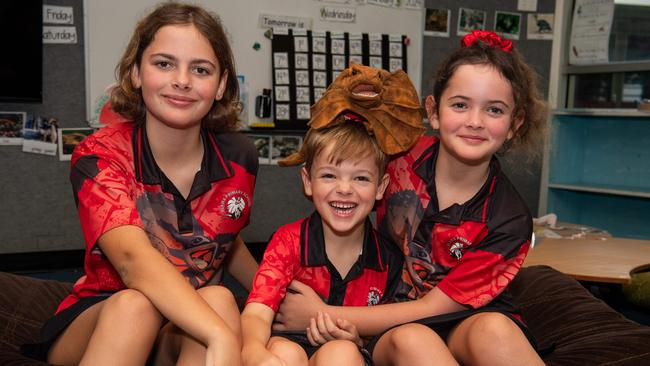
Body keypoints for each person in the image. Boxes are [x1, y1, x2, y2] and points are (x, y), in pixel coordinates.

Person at [272, 30, 548, 366]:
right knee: (414, 337)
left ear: (514, 123)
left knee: (496, 329)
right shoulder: (397, 158)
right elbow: (337, 169)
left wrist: (322, 314)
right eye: (460, 105)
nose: (475, 122)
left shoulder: (510, 218)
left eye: (494, 110)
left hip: (466, 319)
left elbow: (434, 309)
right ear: (433, 111)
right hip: (392, 319)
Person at [22, 3, 258, 366]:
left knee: (220, 299)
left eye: (201, 69)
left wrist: (270, 293)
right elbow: (133, 261)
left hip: (180, 326)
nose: (182, 80)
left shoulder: (239, 158)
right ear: (135, 73)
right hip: (105, 315)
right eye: (164, 63)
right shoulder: (99, 155)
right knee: (139, 305)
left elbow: (222, 236)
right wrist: (219, 334)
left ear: (221, 84)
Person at [241, 64, 425, 366]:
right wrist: (256, 354)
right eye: (329, 175)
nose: (344, 189)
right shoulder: (288, 242)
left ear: (381, 188)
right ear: (307, 182)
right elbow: (256, 313)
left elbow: (387, 338)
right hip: (288, 352)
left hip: (344, 357)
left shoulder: (389, 259)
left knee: (341, 354)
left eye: (361, 179)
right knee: (282, 353)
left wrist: (358, 340)